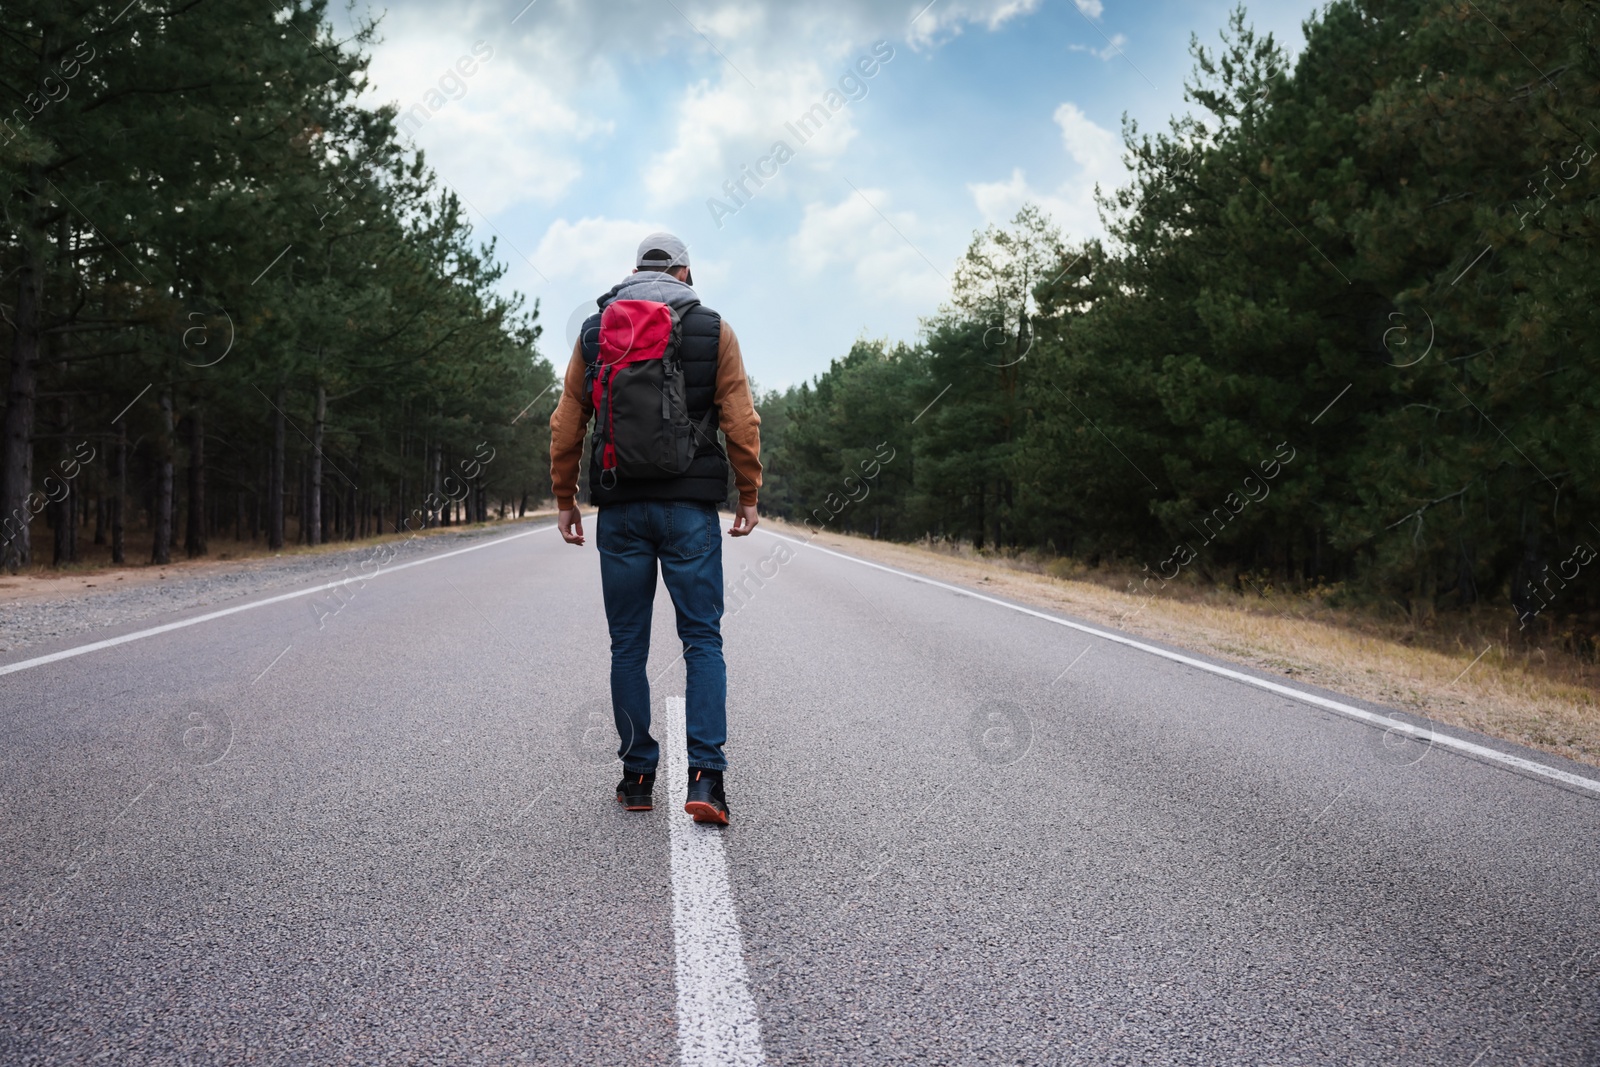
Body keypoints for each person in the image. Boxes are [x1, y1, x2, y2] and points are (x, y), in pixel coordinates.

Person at [548, 233, 762, 826]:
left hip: (620, 509)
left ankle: (638, 775)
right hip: (690, 509)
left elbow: (568, 420)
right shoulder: (713, 328)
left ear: (634, 270)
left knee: (628, 646)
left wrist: (565, 497)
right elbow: (740, 417)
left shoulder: (596, 331)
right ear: (686, 273)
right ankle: (706, 780)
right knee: (702, 641)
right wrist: (748, 491)